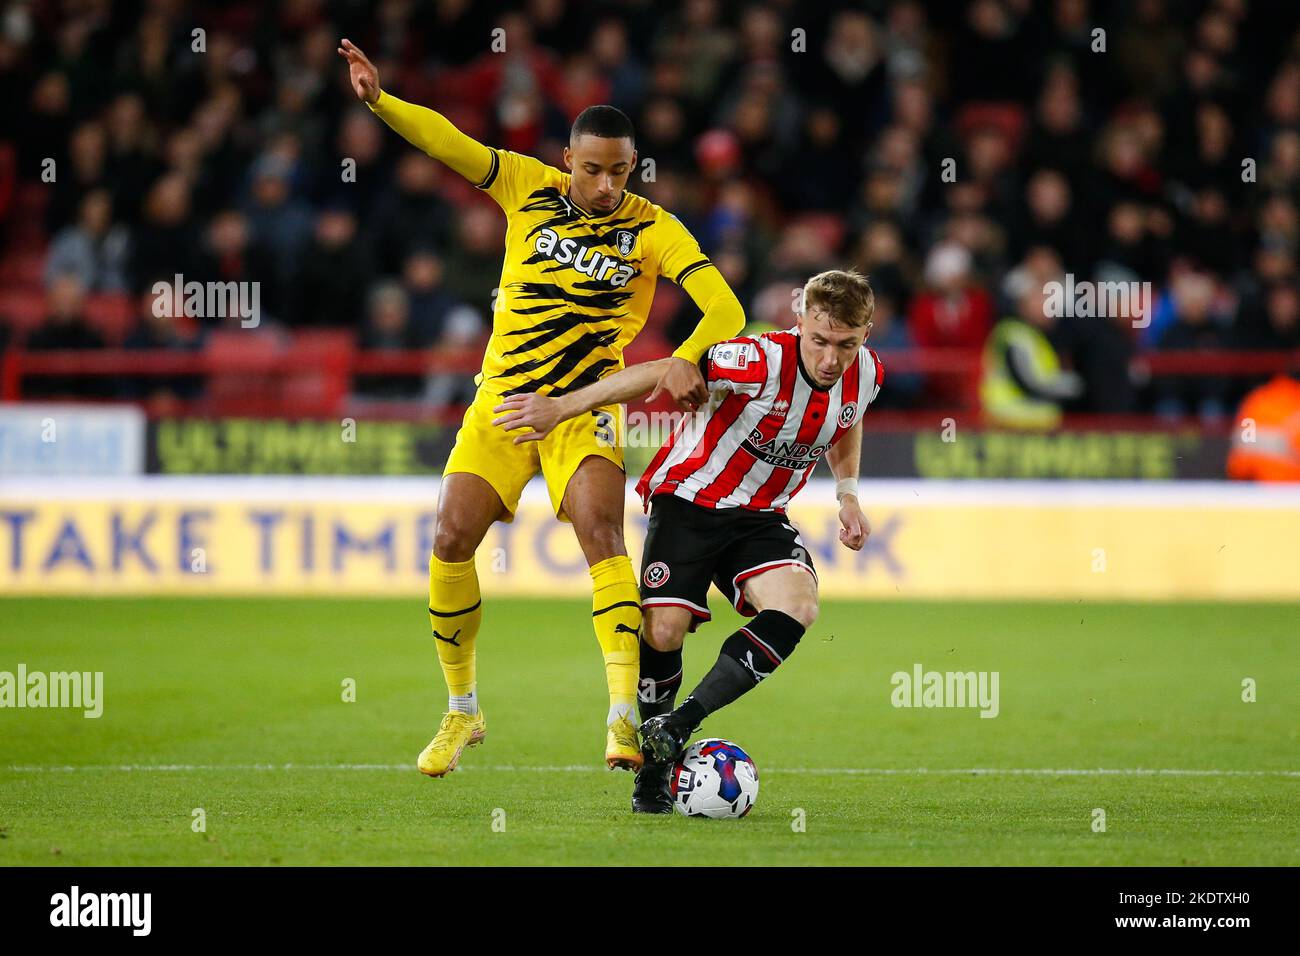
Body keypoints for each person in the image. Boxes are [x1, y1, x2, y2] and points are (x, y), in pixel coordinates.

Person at [338, 39, 746, 775]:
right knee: (450, 536)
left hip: (582, 402)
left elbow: (726, 309)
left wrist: (685, 356)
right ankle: (462, 710)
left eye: (619, 171)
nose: (604, 184)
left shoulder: (653, 228)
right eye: (591, 169)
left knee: (600, 531)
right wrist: (380, 100)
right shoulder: (524, 185)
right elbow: (451, 144)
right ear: (567, 158)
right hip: (502, 399)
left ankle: (623, 718)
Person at [491, 270, 882, 812]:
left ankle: (680, 723)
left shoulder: (867, 373)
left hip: (760, 516)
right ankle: (650, 777)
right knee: (664, 629)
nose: (831, 360)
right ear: (801, 323)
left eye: (846, 345)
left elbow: (846, 419)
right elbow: (662, 371)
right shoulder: (759, 361)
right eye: (819, 341)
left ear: (867, 334)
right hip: (689, 502)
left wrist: (848, 494)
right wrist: (564, 407)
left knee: (799, 605)